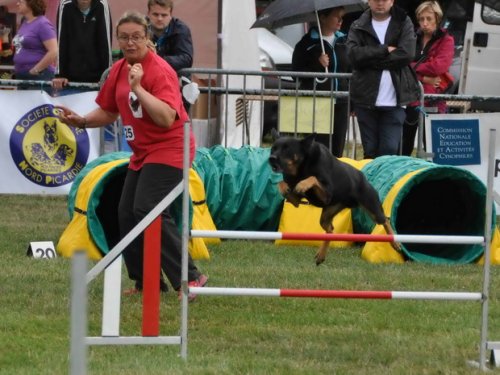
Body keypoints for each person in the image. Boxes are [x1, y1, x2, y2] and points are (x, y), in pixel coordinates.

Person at [56, 11, 207, 301]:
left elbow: (166, 118)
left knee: (148, 209)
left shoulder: (160, 70)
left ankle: (191, 277)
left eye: (136, 36)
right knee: (126, 212)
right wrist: (82, 121)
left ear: (147, 38)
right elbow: (110, 110)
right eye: (123, 37)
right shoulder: (117, 70)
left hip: (171, 148)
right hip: (142, 151)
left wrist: (138, 87)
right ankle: (146, 281)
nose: (130, 42)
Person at [346, 0, 420, 159]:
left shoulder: (403, 21)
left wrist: (369, 62)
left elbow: (407, 54)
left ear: (392, 1)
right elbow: (353, 55)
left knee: (389, 149)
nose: (380, 3)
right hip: (365, 99)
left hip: (395, 100)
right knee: (370, 151)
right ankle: (369, 184)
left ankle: (385, 183)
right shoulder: (358, 24)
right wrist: (384, 49)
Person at [292, 6, 350, 158]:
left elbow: (351, 70)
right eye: (336, 16)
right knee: (319, 148)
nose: (340, 20)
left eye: (342, 17)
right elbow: (295, 73)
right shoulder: (305, 44)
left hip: (342, 102)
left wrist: (352, 99)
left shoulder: (345, 41)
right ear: (322, 18)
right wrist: (317, 65)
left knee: (337, 149)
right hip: (318, 103)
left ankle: (334, 180)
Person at [401, 1, 454, 156]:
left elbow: (438, 67)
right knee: (404, 147)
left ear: (437, 18)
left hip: (434, 101)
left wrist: (412, 67)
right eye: (421, 19)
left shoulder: (446, 40)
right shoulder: (412, 37)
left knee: (432, 149)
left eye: (429, 19)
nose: (425, 23)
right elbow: (401, 64)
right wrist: (424, 77)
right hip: (410, 98)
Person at [52, 0, 112, 92]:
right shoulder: (65, 5)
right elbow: (61, 41)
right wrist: (60, 75)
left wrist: (107, 76)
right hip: (70, 81)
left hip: (97, 80)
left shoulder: (102, 5)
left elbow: (106, 43)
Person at [146, 0, 193, 110]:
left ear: (171, 15)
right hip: (148, 85)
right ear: (148, 13)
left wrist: (157, 59)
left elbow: (187, 58)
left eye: (164, 15)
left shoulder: (181, 29)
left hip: (176, 87)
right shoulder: (140, 28)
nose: (160, 18)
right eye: (155, 14)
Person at [12, 0, 58, 83]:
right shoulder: (25, 23)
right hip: (22, 74)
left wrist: (35, 70)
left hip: (38, 76)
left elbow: (54, 51)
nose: (17, 3)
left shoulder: (42, 24)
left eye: (20, 1)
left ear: (30, 4)